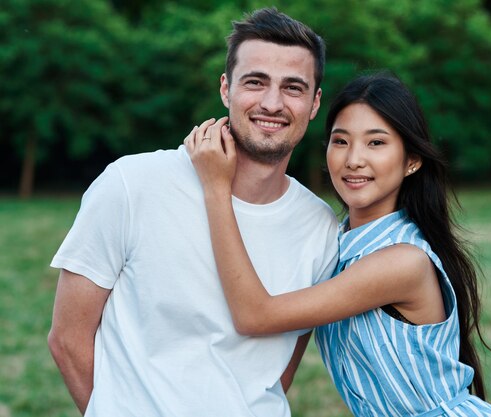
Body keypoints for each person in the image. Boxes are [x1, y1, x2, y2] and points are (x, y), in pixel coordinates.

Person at [47, 8, 338, 417]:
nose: (272, 103)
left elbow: (278, 373)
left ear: (314, 103)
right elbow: (67, 340)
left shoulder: (321, 226)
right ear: (226, 89)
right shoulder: (132, 183)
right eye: (255, 82)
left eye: (293, 87)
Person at [185, 72, 491, 416]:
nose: (353, 159)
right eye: (340, 141)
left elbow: (254, 315)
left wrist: (216, 187)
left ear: (412, 161)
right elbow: (279, 377)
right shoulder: (334, 247)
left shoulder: (401, 261)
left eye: (376, 143)